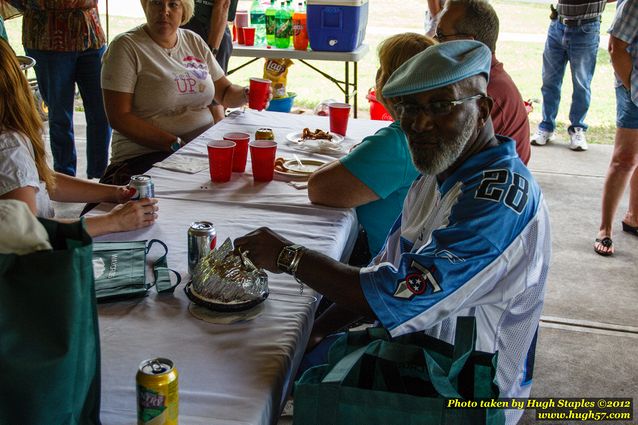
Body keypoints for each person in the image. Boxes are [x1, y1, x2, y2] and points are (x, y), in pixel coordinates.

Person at [235, 41, 551, 425]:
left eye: (440, 107)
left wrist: (289, 256)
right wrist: (313, 335)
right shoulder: (437, 176)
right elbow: (382, 271)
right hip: (421, 350)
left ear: (481, 109)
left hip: (470, 390)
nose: (418, 124)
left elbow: (395, 293)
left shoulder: (495, 204)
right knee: (260, 358)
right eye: (408, 110)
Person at [0, 38, 158, 237]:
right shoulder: (8, 147)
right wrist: (112, 222)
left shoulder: (11, 141)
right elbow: (26, 235)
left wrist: (114, 192)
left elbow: (43, 180)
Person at [308, 33, 435, 261]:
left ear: (387, 81)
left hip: (384, 267)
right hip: (415, 256)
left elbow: (319, 188)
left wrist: (362, 155)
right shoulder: (433, 130)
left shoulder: (399, 141)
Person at [99, 0, 251, 186]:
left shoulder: (193, 40)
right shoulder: (126, 46)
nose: (164, 11)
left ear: (184, 11)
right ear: (146, 6)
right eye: (156, 3)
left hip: (197, 153)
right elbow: (119, 117)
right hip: (145, 158)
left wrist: (246, 94)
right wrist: (175, 144)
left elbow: (225, 92)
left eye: (173, 4)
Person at [8, 0, 111, 178]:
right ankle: (65, 177)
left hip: (91, 37)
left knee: (102, 113)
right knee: (59, 116)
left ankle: (100, 176)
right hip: (47, 41)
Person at [435, 0, 531, 164]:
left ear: (468, 42)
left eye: (441, 35)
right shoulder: (477, 80)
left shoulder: (487, 93)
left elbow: (447, 157)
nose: (434, 41)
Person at [530, 0, 614, 151]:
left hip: (586, 28)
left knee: (581, 83)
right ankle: (547, 127)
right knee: (549, 80)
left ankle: (577, 128)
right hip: (558, 24)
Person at [594, 0, 638, 256]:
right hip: (632, 84)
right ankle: (605, 229)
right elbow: (615, 47)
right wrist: (634, 89)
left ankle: (634, 217)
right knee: (625, 159)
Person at [182, 0, 238, 123]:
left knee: (214, 99)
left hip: (212, 33)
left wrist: (211, 52)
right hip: (180, 32)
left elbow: (222, 5)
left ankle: (219, 138)